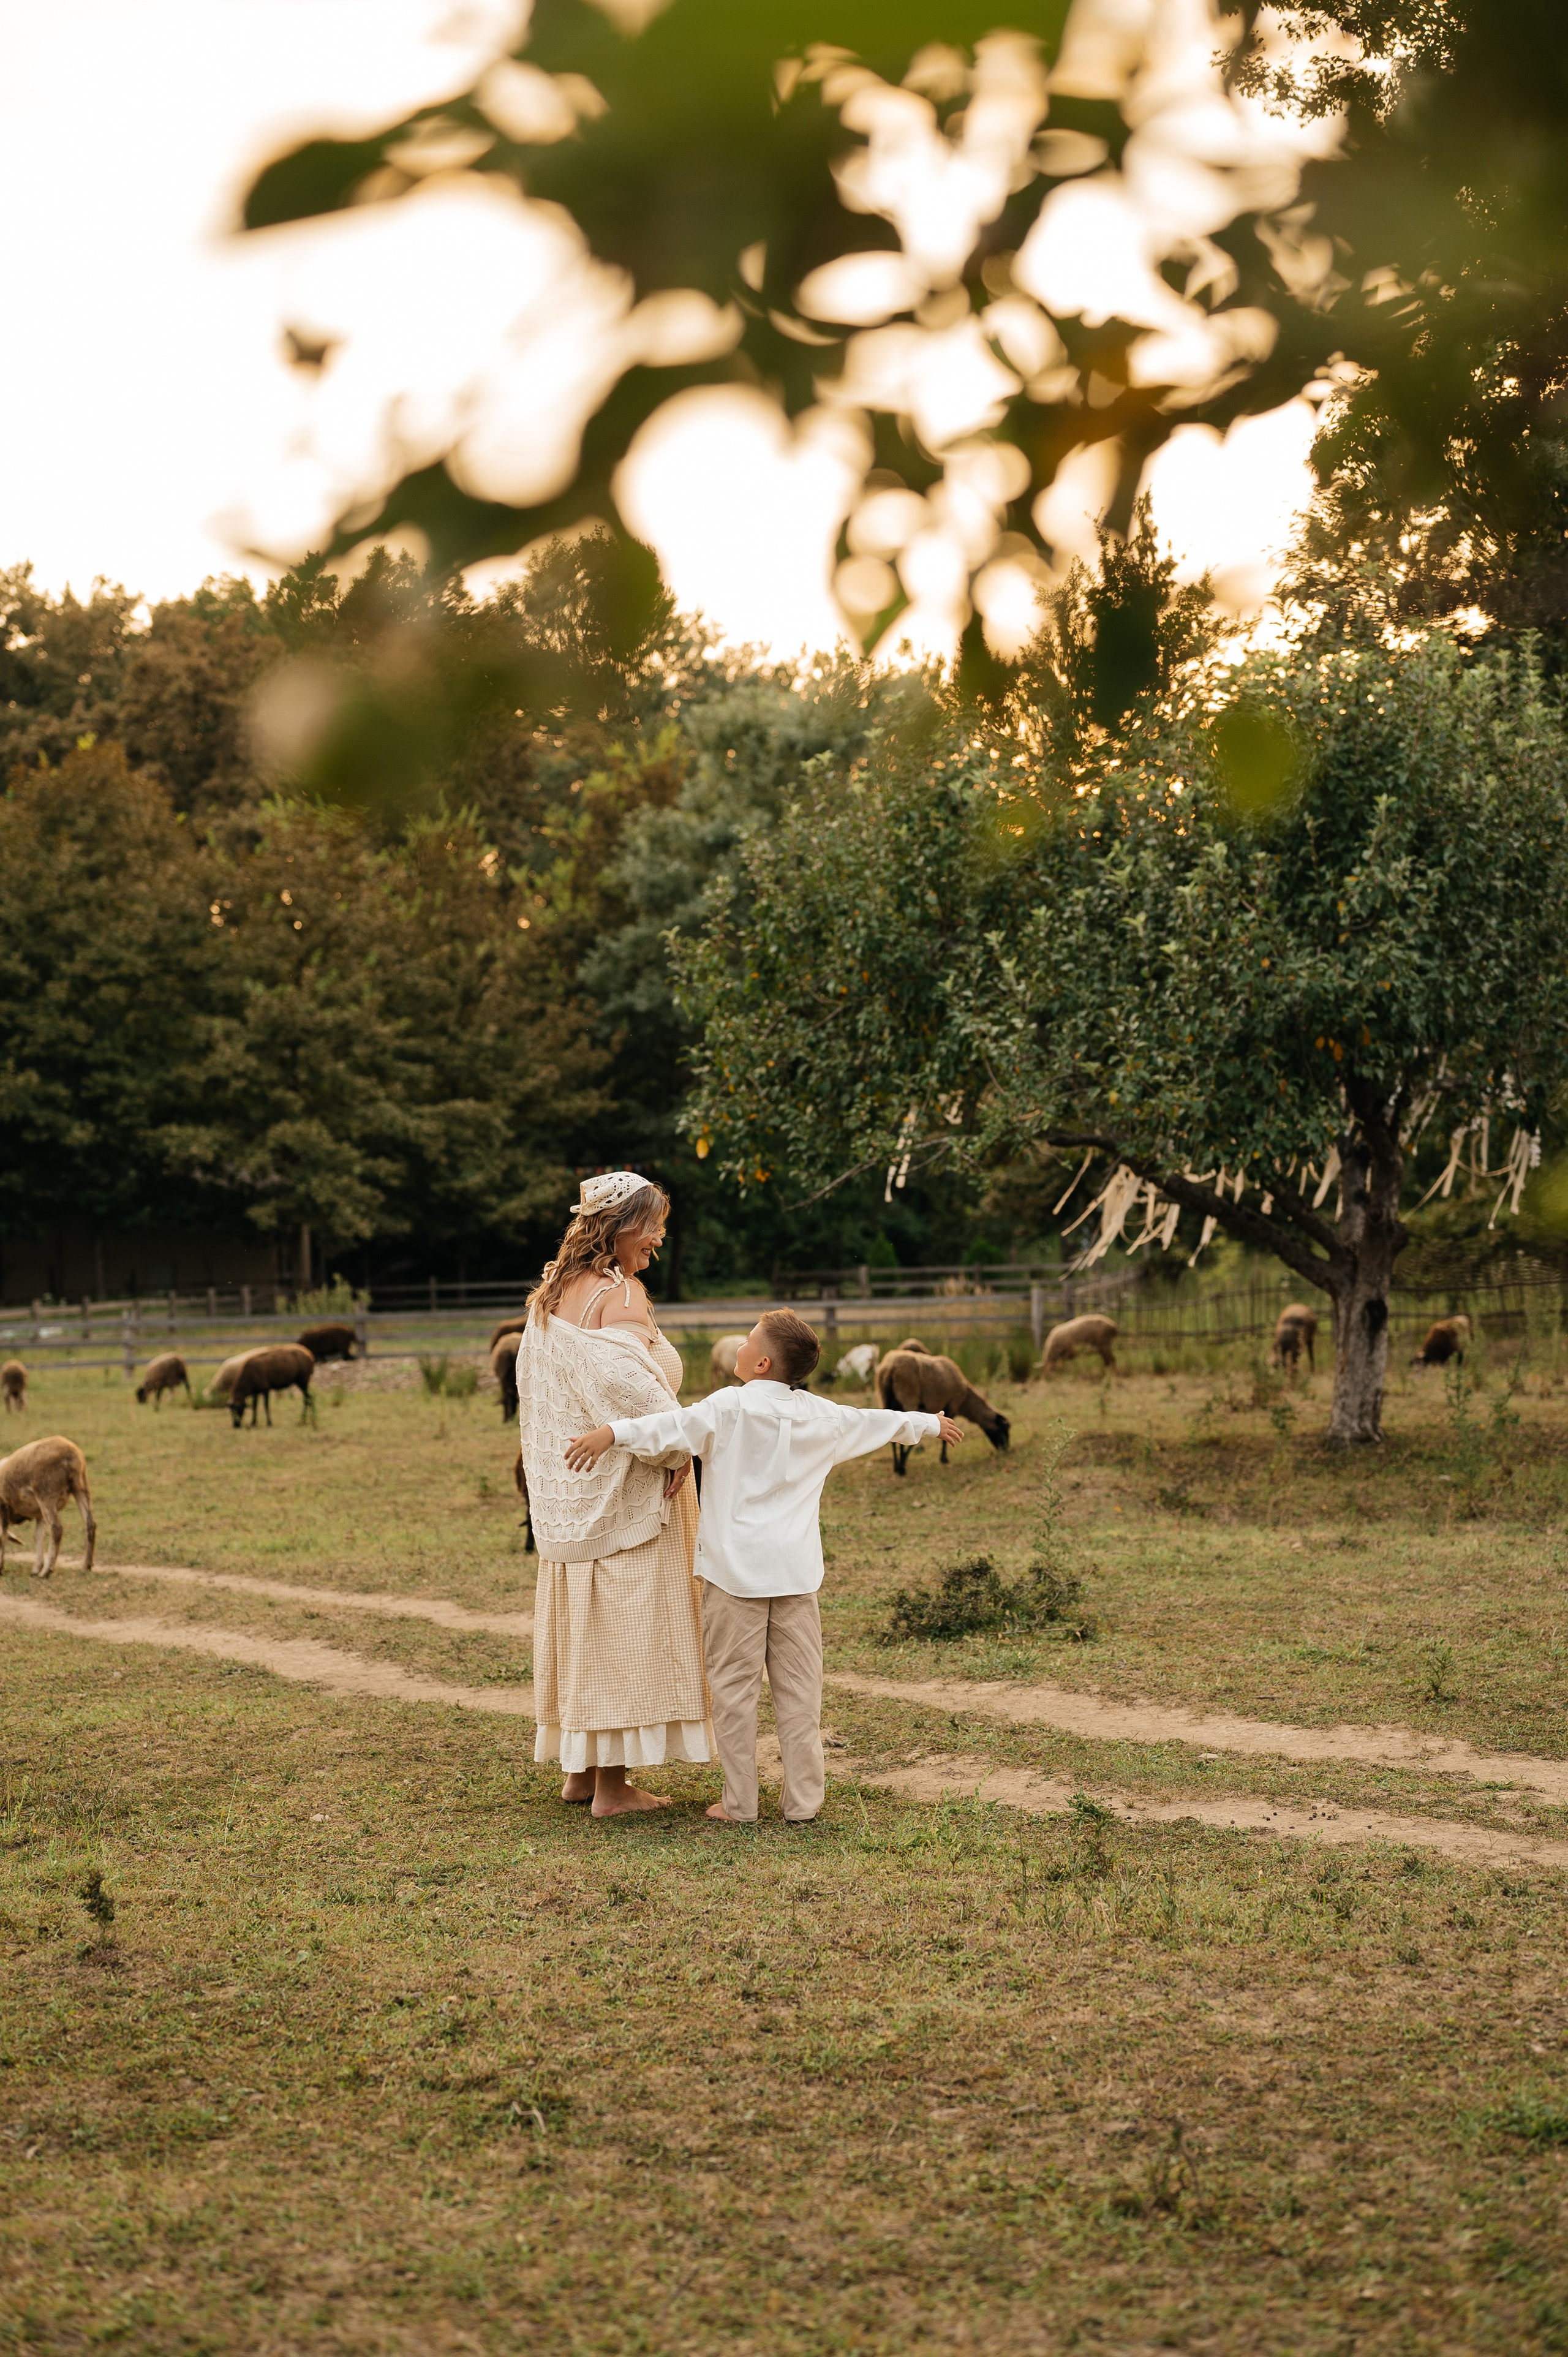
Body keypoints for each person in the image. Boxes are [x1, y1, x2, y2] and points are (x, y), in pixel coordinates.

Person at [564, 1308, 962, 1826]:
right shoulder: (822, 1415)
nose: (740, 1345)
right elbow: (874, 1421)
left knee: (734, 1692)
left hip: (736, 1580)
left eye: (749, 1340)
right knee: (800, 1693)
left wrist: (612, 1434)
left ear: (763, 1362)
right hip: (796, 1578)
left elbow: (669, 1429)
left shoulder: (729, 1407)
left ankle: (740, 1803)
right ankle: (802, 1802)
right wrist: (929, 1424)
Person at [516, 1171, 712, 1819]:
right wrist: (678, 1447)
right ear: (625, 1224)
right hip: (625, 1490)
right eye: (653, 1225)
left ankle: (580, 1772)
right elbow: (634, 1393)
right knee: (623, 1625)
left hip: (574, 1494)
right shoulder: (620, 1293)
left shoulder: (552, 1293)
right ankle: (614, 1788)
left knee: (585, 1626)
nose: (659, 1237)